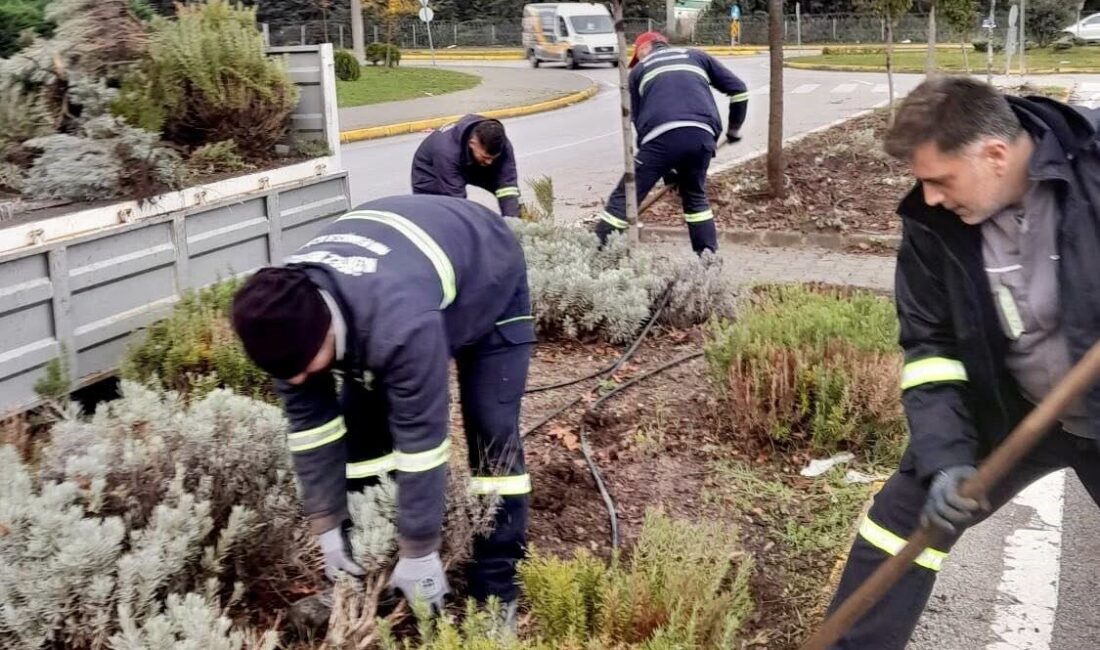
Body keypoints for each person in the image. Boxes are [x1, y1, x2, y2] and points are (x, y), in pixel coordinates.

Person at [822, 76, 1100, 648]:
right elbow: (931, 348)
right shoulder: (934, 226)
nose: (928, 197)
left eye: (939, 180)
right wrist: (946, 459)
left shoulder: (1093, 169)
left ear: (995, 155)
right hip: (1011, 406)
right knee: (901, 524)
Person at [230, 194, 534, 621]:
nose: (296, 381)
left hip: (488, 271)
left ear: (326, 331)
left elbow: (422, 441)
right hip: (401, 273)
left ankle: (496, 592)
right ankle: (373, 574)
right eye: (286, 374)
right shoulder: (283, 316)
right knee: (363, 438)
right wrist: (327, 525)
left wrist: (420, 549)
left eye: (302, 368)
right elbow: (312, 430)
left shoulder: (399, 325)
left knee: (491, 435)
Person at [594, 31, 748, 254]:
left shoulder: (638, 71)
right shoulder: (696, 56)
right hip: (702, 137)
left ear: (645, 48)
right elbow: (739, 90)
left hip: (660, 138)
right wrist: (734, 128)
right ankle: (707, 259)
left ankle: (596, 253)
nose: (639, 60)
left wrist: (666, 167)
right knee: (695, 198)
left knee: (625, 197)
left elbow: (639, 125)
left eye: (638, 55)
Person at [411, 114, 522, 219]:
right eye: (486, 157)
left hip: (471, 162)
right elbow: (457, 200)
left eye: (493, 157)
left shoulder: (503, 145)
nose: (489, 162)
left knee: (512, 200)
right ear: (472, 143)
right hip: (431, 172)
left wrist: (513, 222)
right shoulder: (446, 151)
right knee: (445, 215)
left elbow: (507, 184)